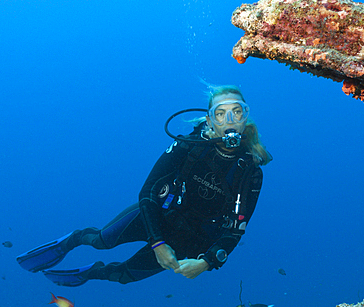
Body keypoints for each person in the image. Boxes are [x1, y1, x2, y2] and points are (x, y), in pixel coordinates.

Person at [17, 85, 271, 286]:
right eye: (220, 113)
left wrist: (205, 263)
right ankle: (73, 240)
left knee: (125, 276)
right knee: (102, 241)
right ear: (209, 119)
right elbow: (148, 190)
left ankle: (91, 273)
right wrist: (158, 243)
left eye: (237, 112)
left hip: (190, 239)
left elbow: (237, 228)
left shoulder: (250, 171)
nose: (230, 120)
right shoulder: (187, 145)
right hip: (156, 215)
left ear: (245, 117)